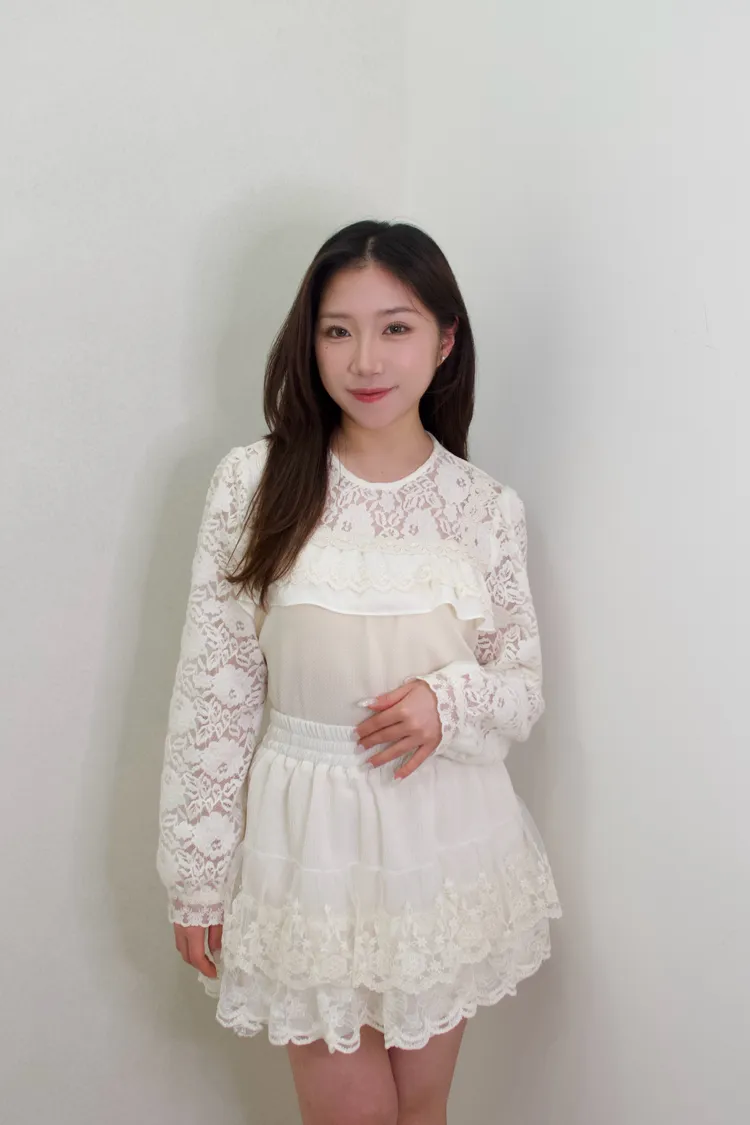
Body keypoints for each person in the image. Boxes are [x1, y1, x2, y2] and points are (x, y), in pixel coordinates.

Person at [156, 219, 561, 1125]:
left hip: (444, 836)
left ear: (445, 340)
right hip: (308, 842)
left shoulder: (483, 508)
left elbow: (521, 685)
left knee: (422, 1110)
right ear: (310, 341)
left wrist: (445, 702)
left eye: (396, 327)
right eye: (338, 330)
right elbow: (216, 694)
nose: (366, 359)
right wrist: (196, 872)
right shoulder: (253, 483)